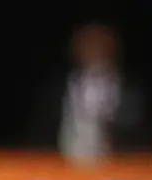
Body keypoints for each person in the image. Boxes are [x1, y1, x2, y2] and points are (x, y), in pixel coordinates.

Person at [45, 21, 142, 162]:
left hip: (120, 170)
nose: (94, 49)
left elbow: (138, 134)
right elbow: (43, 133)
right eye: (88, 43)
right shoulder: (57, 90)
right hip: (63, 172)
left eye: (100, 43)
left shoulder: (131, 91)